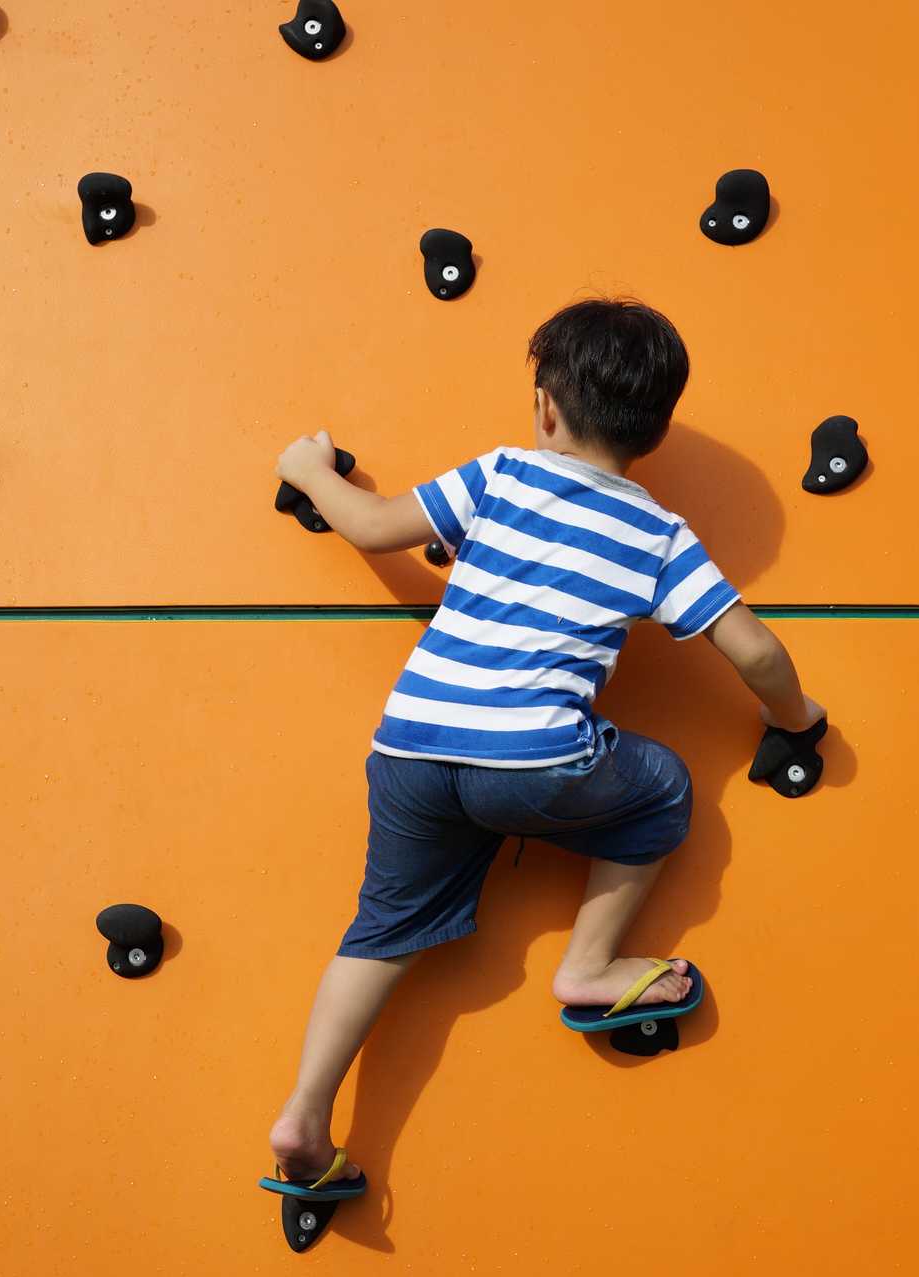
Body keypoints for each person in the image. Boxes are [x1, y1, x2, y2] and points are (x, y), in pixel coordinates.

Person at [265, 298, 824, 1193]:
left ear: (545, 409)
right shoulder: (657, 534)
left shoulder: (501, 477)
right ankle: (591, 966)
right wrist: (798, 721)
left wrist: (309, 469)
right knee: (664, 788)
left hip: (412, 748)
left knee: (381, 931)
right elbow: (753, 648)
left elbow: (371, 527)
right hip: (533, 762)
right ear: (655, 428)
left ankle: (303, 1111)